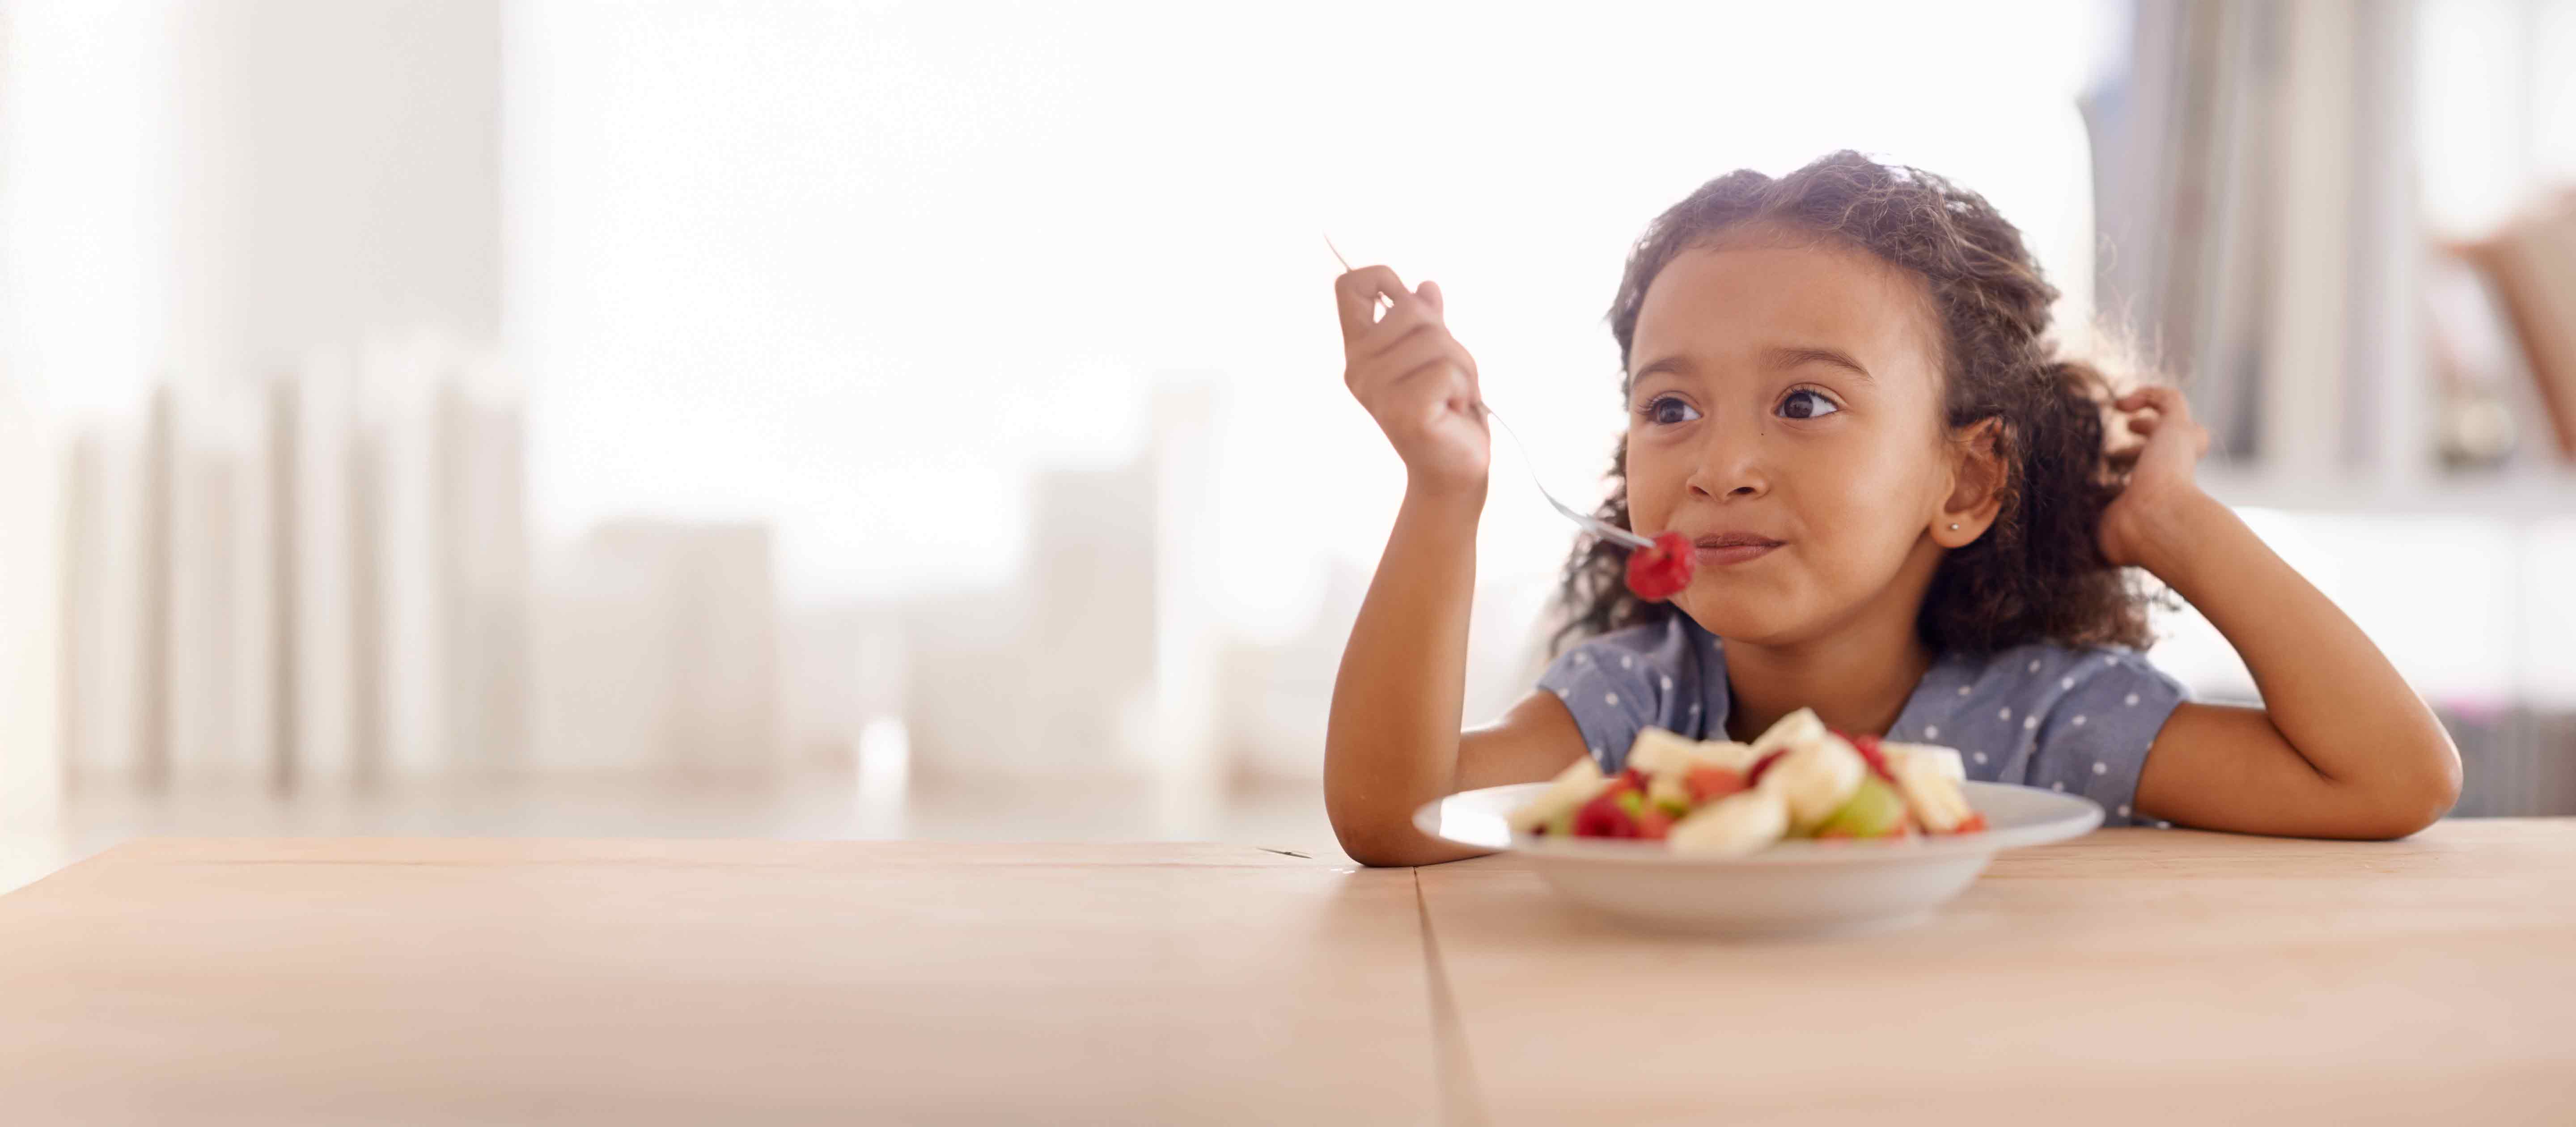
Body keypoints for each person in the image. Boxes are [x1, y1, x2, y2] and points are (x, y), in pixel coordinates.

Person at [1322, 151, 2461, 867]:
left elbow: (2391, 780)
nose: (1721, 466)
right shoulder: (1643, 700)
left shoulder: (2043, 720)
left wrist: (2176, 530)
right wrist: (1443, 488)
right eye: (1670, 407)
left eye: (1804, 402)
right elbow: (1400, 818)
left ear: (1964, 482)